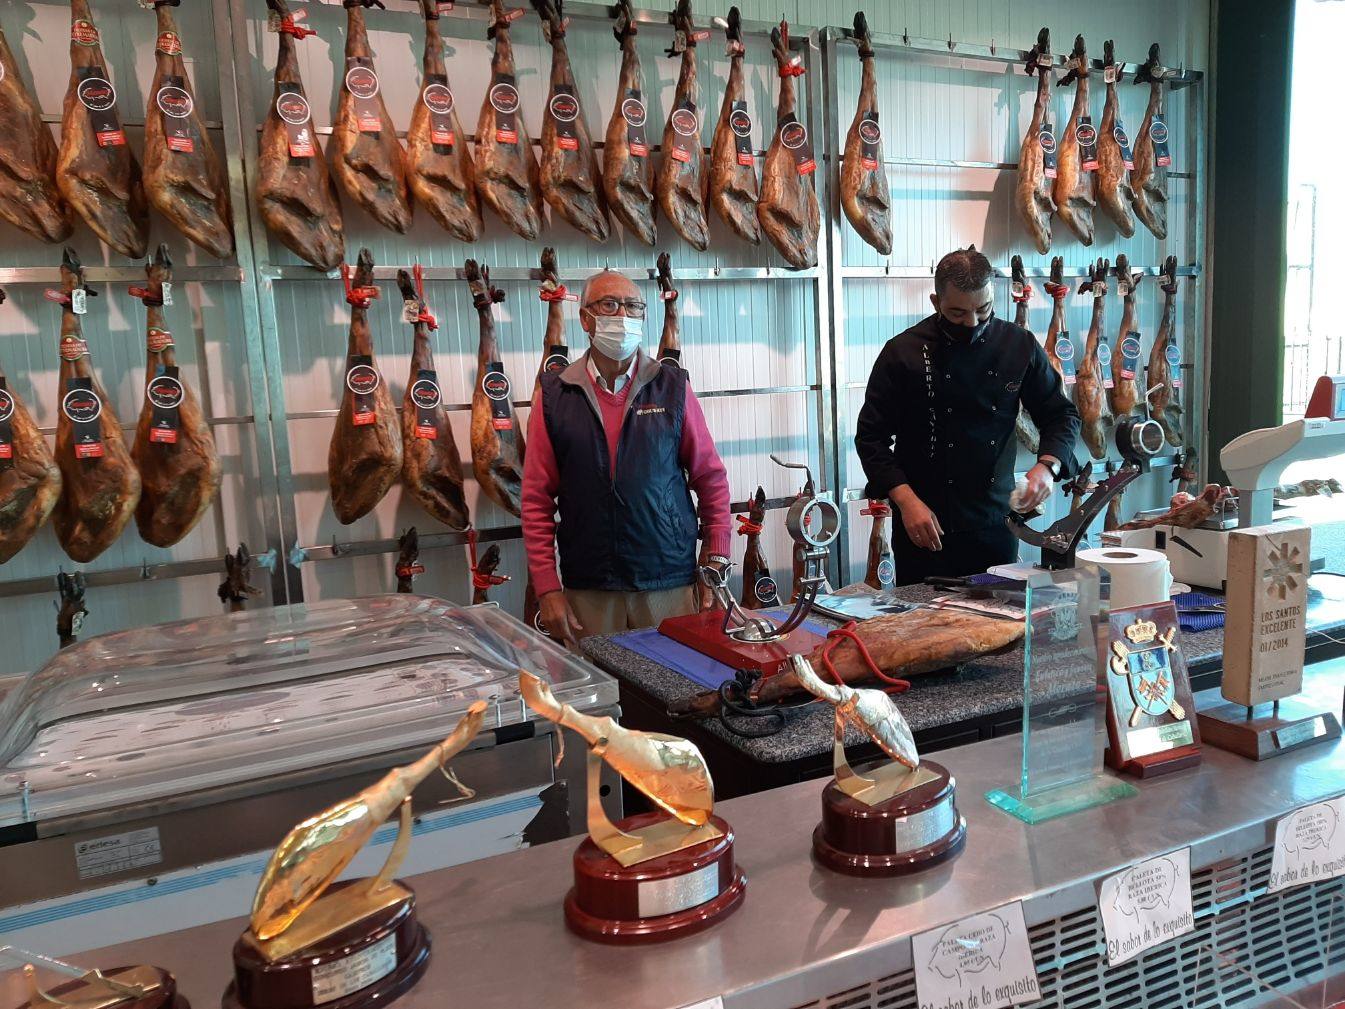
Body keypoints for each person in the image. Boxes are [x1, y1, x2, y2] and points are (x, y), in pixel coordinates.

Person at [522, 269, 732, 644]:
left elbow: (711, 479)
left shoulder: (672, 387)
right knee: (596, 682)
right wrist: (547, 586)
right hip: (590, 589)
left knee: (675, 678)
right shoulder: (556, 395)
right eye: (609, 305)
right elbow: (536, 499)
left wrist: (715, 558)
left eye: (633, 307)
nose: (622, 315)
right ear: (585, 319)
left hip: (667, 582)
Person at [854, 246, 1080, 583]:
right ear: (936, 302)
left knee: (997, 613)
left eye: (983, 309)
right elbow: (871, 438)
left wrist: (1048, 466)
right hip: (924, 524)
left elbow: (1061, 415)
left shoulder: (1018, 346)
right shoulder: (903, 353)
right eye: (958, 313)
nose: (972, 323)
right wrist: (905, 501)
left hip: (995, 523)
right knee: (924, 615)